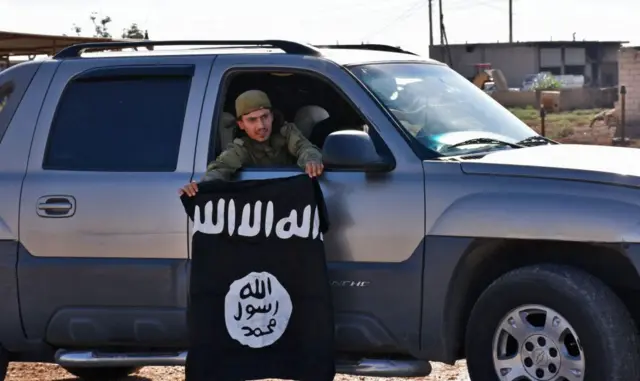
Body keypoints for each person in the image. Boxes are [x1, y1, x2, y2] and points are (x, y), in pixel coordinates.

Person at [180, 89, 324, 197]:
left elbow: (304, 147)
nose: (261, 125)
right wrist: (202, 187)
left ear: (272, 116)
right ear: (241, 124)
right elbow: (221, 168)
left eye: (265, 117)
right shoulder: (241, 147)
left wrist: (311, 160)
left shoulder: (286, 132)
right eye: (252, 120)